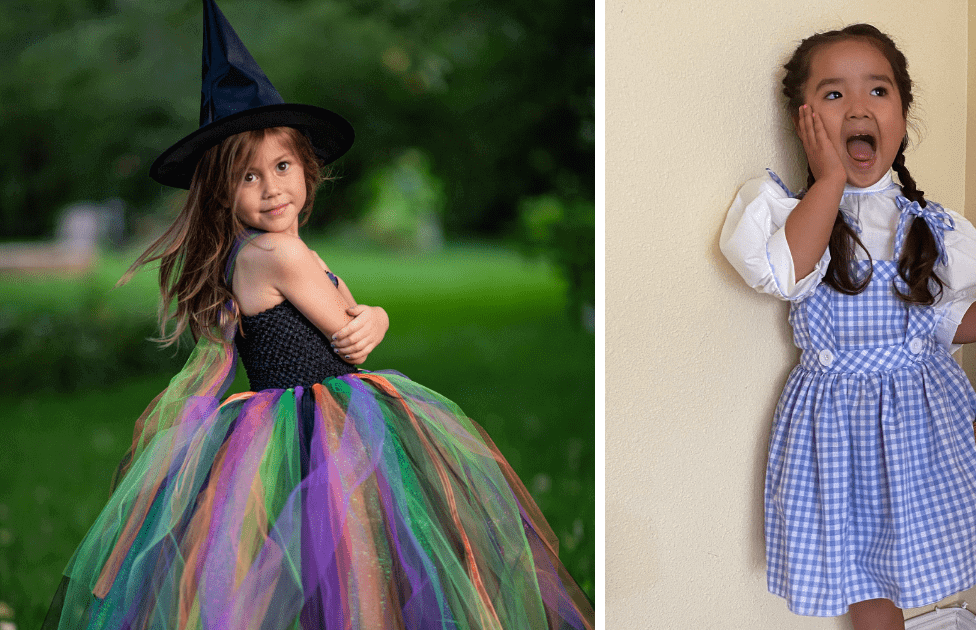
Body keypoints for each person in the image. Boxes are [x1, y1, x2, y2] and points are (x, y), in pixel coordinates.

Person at [40, 1, 592, 628]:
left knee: (305, 570)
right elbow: (351, 337)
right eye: (249, 177)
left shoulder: (259, 252)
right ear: (223, 191)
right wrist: (373, 318)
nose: (272, 188)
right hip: (315, 427)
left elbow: (354, 317)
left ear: (308, 168)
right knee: (354, 561)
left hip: (293, 426)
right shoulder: (279, 253)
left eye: (282, 167)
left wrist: (374, 314)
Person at [719, 24, 976, 630]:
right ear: (804, 121)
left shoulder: (931, 223)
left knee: (911, 544)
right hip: (840, 419)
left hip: (917, 414)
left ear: (902, 112)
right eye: (832, 95)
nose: (856, 107)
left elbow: (942, 318)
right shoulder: (791, 213)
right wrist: (827, 183)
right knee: (860, 559)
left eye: (877, 91)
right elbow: (786, 271)